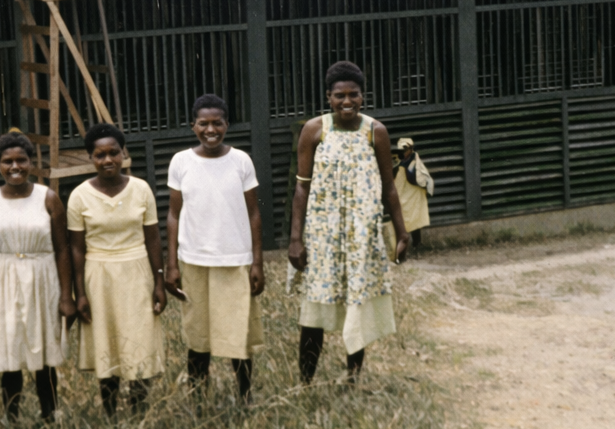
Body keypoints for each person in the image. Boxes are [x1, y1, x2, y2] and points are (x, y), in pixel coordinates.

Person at [288, 61, 410, 384]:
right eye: (339, 95)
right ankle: (305, 383)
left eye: (353, 95)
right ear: (328, 97)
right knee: (314, 312)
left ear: (362, 96)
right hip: (322, 236)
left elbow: (388, 186)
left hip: (361, 235)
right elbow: (302, 186)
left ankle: (352, 378)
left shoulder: (376, 132)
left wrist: (402, 231)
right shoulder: (314, 130)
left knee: (357, 305)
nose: (346, 102)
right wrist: (295, 238)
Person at [165, 94, 264, 404]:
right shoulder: (181, 161)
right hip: (193, 260)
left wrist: (257, 262)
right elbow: (173, 214)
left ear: (227, 125)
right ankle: (197, 398)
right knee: (198, 336)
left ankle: (245, 395)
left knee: (238, 336)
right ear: (193, 125)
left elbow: (254, 214)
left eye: (217, 123)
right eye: (203, 123)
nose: (211, 130)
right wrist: (172, 264)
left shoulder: (241, 161)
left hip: (234, 261)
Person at [0, 131, 75, 424]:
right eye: (8, 161)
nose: (15, 166)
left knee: (42, 346)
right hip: (4, 279)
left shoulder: (48, 198)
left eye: (22, 160)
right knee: (10, 347)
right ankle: (11, 416)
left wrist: (66, 296)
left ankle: (50, 413)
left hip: (42, 276)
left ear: (32, 162)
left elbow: (62, 250)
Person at [68, 123, 166, 415]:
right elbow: (76, 248)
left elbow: (152, 239)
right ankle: (109, 410)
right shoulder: (79, 196)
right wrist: (80, 293)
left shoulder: (141, 189)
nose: (108, 160)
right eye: (100, 155)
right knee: (106, 341)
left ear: (124, 153)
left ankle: (139, 409)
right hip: (98, 274)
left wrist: (159, 282)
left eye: (114, 153)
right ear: (90, 158)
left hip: (137, 271)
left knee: (140, 339)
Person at [394, 137, 432, 251]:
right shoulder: (397, 161)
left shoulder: (415, 161)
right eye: (402, 150)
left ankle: (417, 244)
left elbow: (421, 177)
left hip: (413, 193)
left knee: (415, 218)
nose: (404, 152)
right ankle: (400, 246)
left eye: (405, 149)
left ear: (410, 149)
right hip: (401, 193)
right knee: (401, 218)